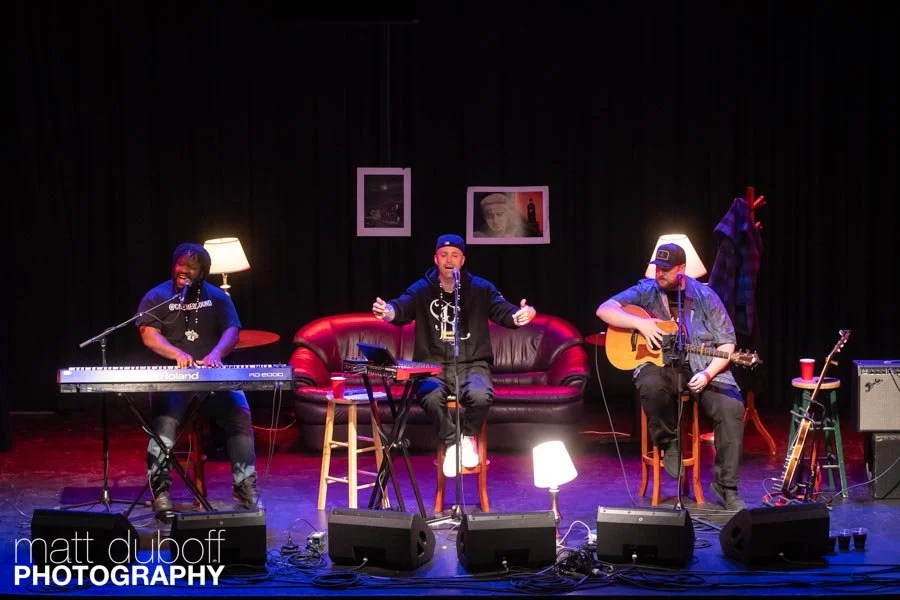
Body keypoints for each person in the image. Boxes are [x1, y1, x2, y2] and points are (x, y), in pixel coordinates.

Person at [595, 242, 747, 511]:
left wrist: (708, 374)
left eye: (666, 269)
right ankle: (669, 440)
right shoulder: (647, 289)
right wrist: (640, 323)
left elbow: (727, 343)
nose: (660, 274)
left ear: (682, 269)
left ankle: (726, 486)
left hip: (701, 365)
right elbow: (604, 309)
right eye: (657, 268)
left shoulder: (705, 296)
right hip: (660, 364)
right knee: (651, 385)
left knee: (732, 407)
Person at [372, 234, 537, 477]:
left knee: (480, 395)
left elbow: (504, 311)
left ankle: (468, 438)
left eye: (455, 255)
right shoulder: (422, 289)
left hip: (473, 363)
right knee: (429, 396)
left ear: (462, 260)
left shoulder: (480, 288)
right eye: (444, 255)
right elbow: (401, 308)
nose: (449, 260)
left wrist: (522, 314)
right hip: (432, 364)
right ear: (436, 259)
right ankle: (452, 443)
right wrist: (387, 311)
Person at [135, 242, 259, 516]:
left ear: (202, 272)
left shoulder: (217, 297)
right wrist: (177, 353)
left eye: (192, 267)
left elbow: (232, 331)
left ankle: (245, 486)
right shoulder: (157, 296)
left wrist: (216, 354)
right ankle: (161, 491)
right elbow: (149, 335)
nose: (184, 270)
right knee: (164, 425)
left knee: (239, 415)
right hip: (172, 377)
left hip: (212, 375)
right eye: (181, 264)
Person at [474, 193, 540, 238]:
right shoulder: (479, 235)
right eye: (490, 216)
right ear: (485, 217)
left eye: (500, 214)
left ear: (509, 214)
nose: (495, 221)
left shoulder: (527, 232)